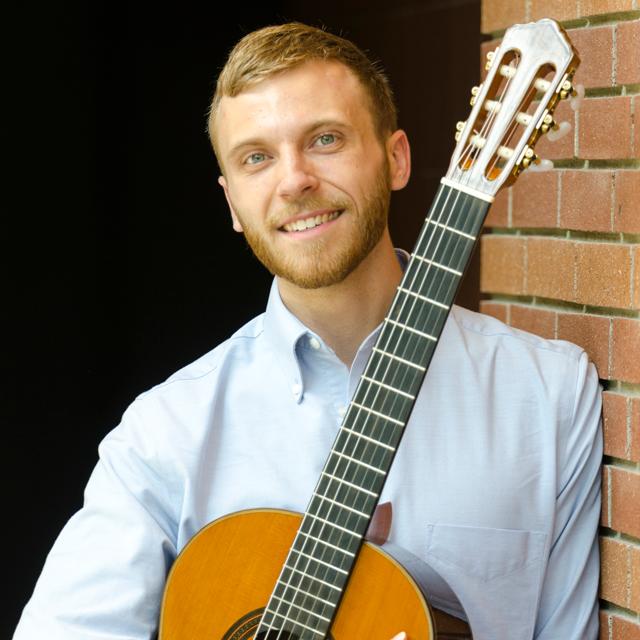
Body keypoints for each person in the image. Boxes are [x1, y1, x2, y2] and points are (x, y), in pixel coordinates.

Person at [14, 22, 602, 640]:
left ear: (396, 157)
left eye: (325, 139)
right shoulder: (167, 436)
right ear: (233, 204)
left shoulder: (548, 397)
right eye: (257, 158)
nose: (294, 181)